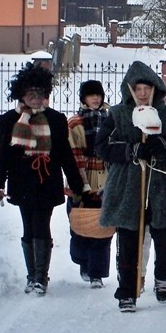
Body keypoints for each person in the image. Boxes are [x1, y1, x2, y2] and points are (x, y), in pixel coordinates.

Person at [95, 61, 166, 312]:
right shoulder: (117, 115)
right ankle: (127, 291)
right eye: (137, 89)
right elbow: (101, 146)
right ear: (130, 90)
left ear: (154, 88)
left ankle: (163, 278)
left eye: (146, 88)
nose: (142, 93)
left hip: (162, 184)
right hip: (128, 184)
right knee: (128, 240)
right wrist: (130, 149)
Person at [0, 65, 84, 295]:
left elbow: (64, 154)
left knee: (41, 223)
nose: (35, 98)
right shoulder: (8, 120)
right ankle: (32, 275)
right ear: (20, 94)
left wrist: (76, 183)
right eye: (30, 93)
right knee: (28, 226)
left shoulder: (55, 119)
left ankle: (41, 277)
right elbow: (1, 154)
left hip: (47, 179)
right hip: (21, 181)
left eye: (39, 93)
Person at [67, 80, 112, 289]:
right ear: (83, 98)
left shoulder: (111, 120)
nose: (96, 99)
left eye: (98, 95)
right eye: (91, 95)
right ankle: (83, 262)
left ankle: (97, 273)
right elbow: (73, 156)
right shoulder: (75, 123)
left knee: (103, 228)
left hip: (105, 179)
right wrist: (81, 185)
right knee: (80, 225)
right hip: (81, 178)